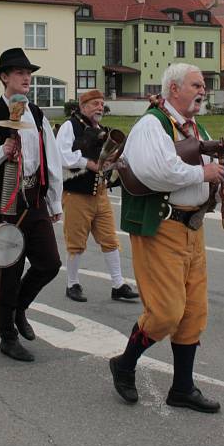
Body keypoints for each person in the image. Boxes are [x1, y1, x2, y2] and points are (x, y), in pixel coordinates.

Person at [108, 63, 224, 413]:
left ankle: (182, 388)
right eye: (197, 84)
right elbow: (155, 171)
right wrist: (203, 172)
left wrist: (223, 181)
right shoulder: (152, 124)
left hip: (191, 228)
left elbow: (212, 164)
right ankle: (125, 363)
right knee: (165, 312)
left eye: (203, 84)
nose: (203, 90)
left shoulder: (191, 126)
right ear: (174, 89)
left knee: (194, 311)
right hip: (161, 227)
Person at [0, 48, 63, 363]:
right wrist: (2, 150)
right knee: (7, 269)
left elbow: (50, 159)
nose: (26, 77)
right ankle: (8, 335)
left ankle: (18, 307)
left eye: (29, 73)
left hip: (32, 197)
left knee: (49, 263)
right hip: (2, 199)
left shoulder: (36, 114)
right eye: (20, 72)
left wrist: (54, 200)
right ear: (4, 77)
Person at [56, 89, 139, 303]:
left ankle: (118, 284)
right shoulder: (70, 126)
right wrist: (88, 163)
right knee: (76, 241)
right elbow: (62, 155)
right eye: (95, 104)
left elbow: (106, 160)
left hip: (100, 193)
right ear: (83, 107)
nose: (100, 107)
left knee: (110, 239)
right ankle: (72, 283)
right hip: (77, 193)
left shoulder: (102, 130)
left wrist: (116, 161)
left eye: (101, 104)